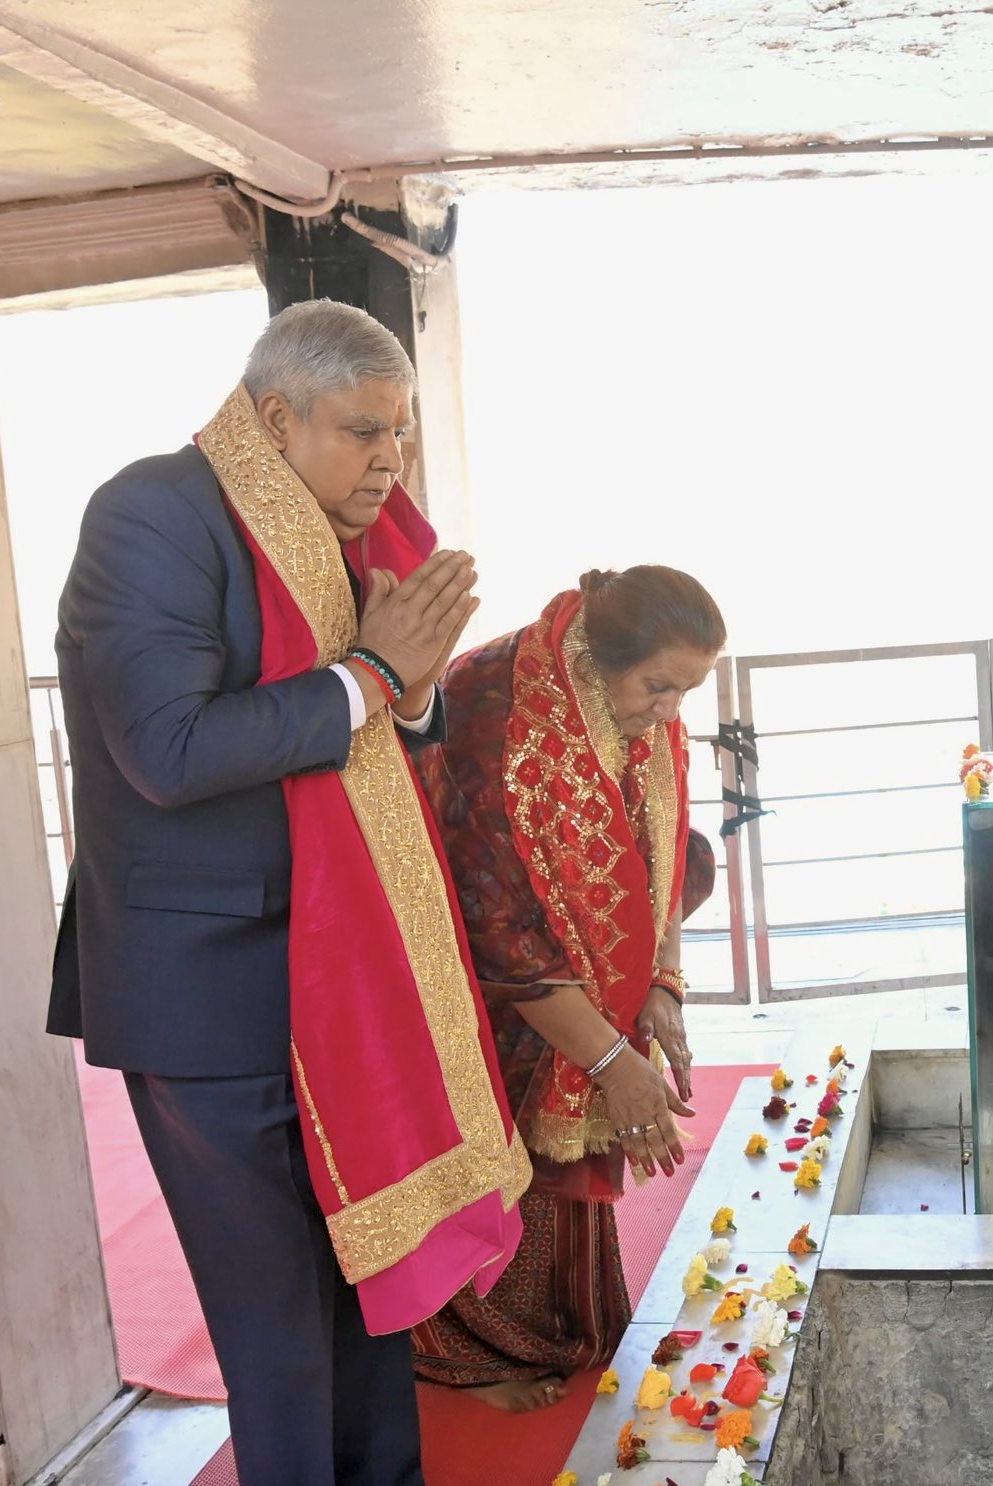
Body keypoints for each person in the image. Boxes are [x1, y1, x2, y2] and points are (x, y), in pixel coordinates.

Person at [48, 300, 532, 1485]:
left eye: (403, 437)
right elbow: (167, 751)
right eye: (364, 432)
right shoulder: (154, 514)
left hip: (339, 973)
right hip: (212, 989)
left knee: (365, 1286)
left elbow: (376, 722)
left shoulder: (339, 532)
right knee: (276, 1324)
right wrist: (373, 674)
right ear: (275, 417)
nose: (390, 463)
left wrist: (401, 688)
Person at [409, 565, 726, 1412]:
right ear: (597, 657)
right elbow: (501, 933)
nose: (668, 713)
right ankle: (468, 1351)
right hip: (479, 967)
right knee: (504, 1133)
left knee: (572, 1142)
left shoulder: (635, 709)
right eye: (659, 687)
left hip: (573, 957)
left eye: (684, 692)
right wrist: (615, 1056)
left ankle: (560, 1326)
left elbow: (660, 851)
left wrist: (660, 985)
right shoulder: (496, 714)